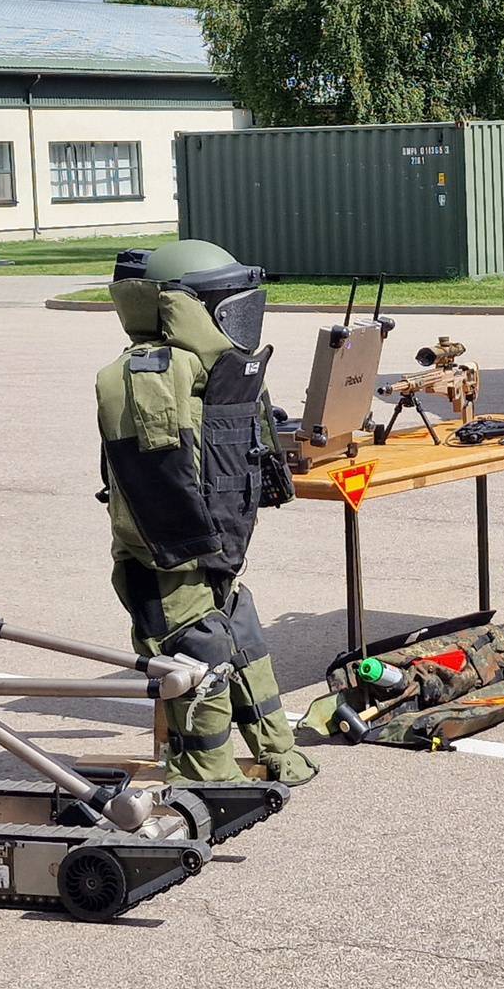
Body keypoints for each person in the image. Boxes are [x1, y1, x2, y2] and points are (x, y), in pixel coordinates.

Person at [96, 239, 317, 786]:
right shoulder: (168, 372)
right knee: (205, 643)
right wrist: (199, 547)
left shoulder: (203, 368)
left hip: (196, 543)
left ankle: (232, 770)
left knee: (214, 641)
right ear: (179, 304)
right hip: (189, 543)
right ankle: (236, 770)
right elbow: (154, 474)